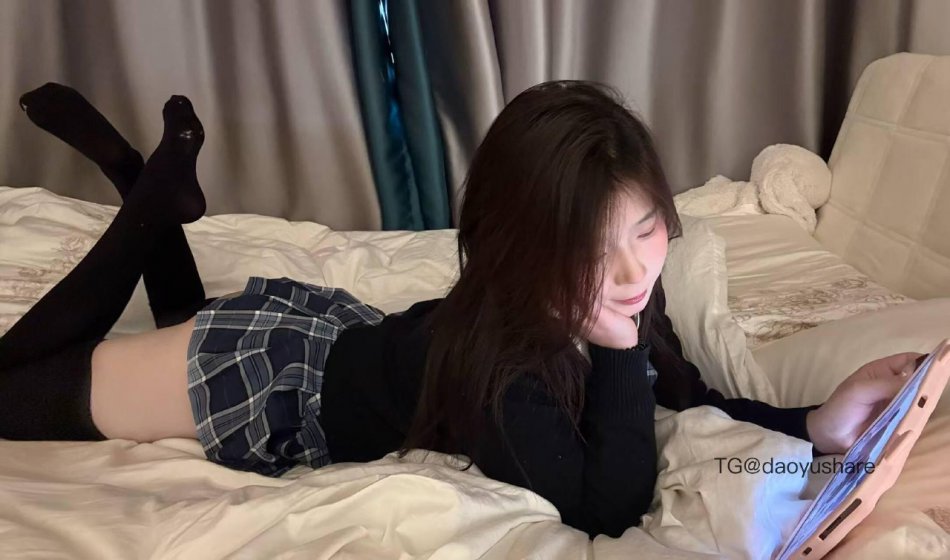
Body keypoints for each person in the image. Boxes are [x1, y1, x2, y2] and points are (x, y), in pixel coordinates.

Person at [0, 81, 921, 539]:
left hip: (334, 338)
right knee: (11, 392)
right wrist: (610, 344)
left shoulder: (623, 293)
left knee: (177, 314)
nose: (630, 274)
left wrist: (812, 423)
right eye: (589, 252)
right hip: (273, 380)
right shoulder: (503, 372)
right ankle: (147, 197)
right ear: (520, 250)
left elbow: (679, 398)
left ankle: (146, 186)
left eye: (646, 229)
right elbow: (604, 508)